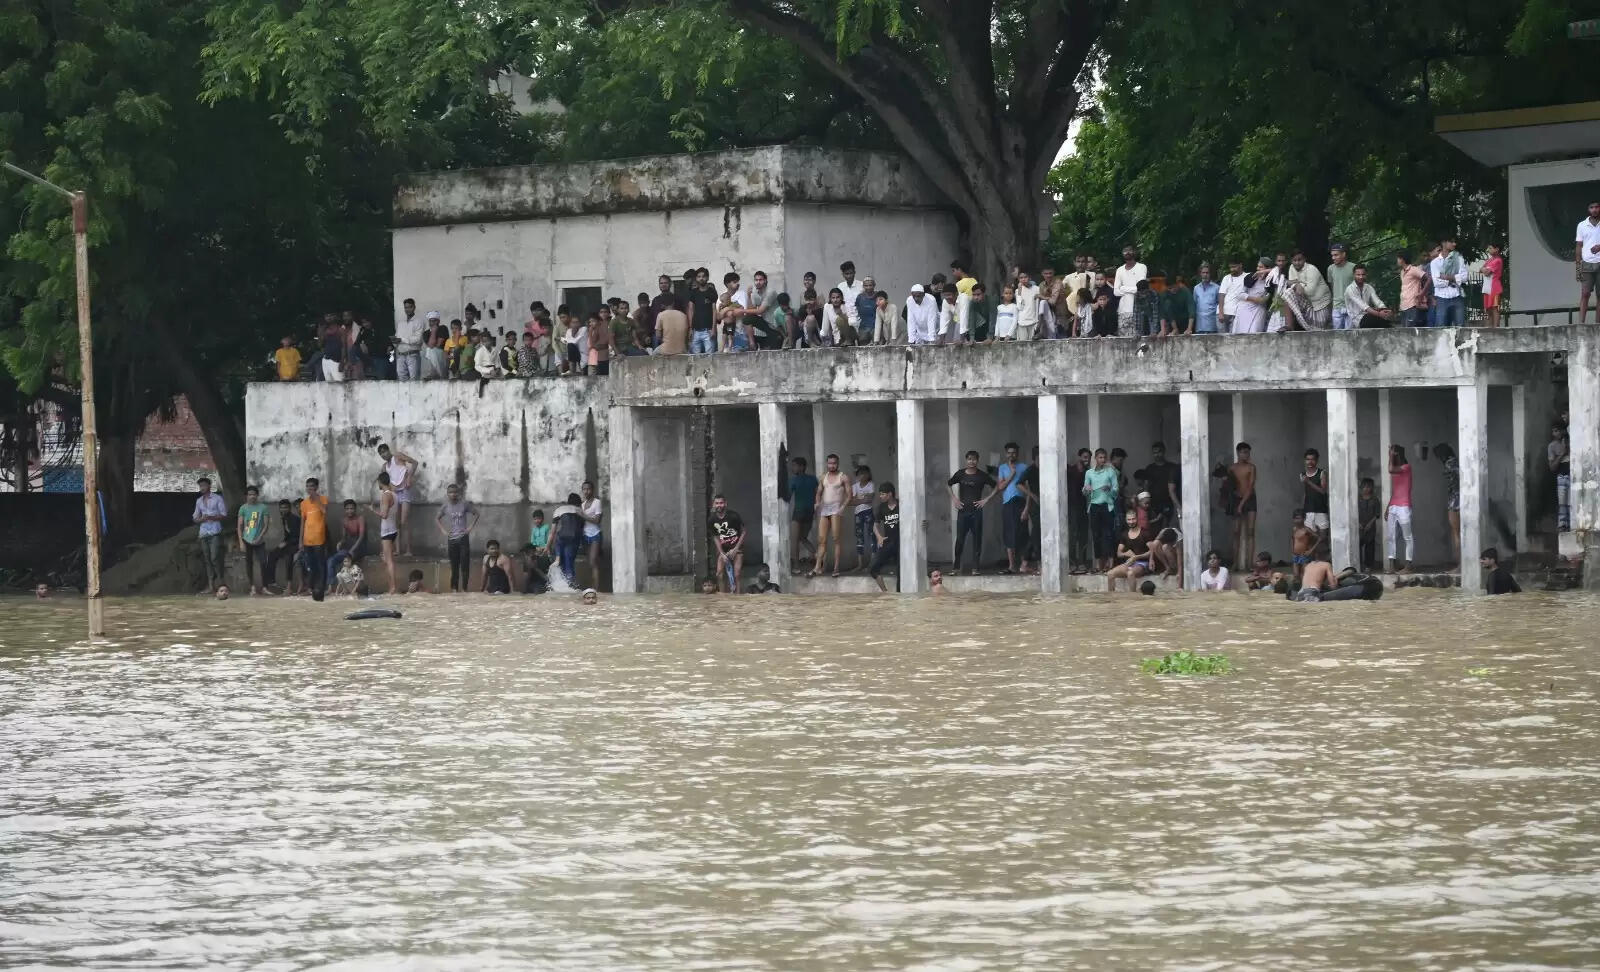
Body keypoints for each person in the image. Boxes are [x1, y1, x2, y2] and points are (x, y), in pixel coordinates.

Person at [948, 449, 996, 574]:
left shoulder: (982, 475)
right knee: (960, 540)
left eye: (974, 459)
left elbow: (996, 486)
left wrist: (986, 500)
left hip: (976, 512)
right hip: (963, 512)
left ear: (977, 460)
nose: (972, 461)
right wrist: (954, 499)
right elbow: (948, 484)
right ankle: (956, 567)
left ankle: (975, 568)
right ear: (966, 460)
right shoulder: (960, 474)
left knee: (977, 539)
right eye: (969, 459)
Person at [812, 454, 850, 577]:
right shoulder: (823, 477)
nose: (831, 465)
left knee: (835, 539)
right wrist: (817, 503)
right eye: (829, 463)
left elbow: (850, 495)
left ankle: (836, 567)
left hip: (835, 509)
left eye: (834, 463)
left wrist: (843, 507)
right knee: (821, 540)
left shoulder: (843, 477)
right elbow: (818, 492)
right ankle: (817, 567)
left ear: (837, 464)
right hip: (825, 509)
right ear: (826, 463)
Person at [436, 482, 478, 593]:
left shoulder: (464, 504)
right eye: (450, 492)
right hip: (452, 539)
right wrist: (444, 531)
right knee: (454, 566)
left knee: (464, 565)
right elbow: (437, 518)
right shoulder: (445, 506)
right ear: (447, 494)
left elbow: (476, 514)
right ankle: (454, 589)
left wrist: (470, 528)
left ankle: (464, 589)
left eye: (455, 492)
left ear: (458, 493)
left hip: (463, 538)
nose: (453, 494)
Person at [376, 443, 417, 556]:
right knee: (396, 522)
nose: (383, 455)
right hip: (394, 493)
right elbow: (383, 481)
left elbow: (415, 463)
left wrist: (409, 477)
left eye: (384, 451)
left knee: (404, 521)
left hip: (404, 491)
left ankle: (408, 550)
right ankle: (397, 550)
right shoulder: (384, 467)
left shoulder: (397, 456)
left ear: (389, 450)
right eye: (381, 454)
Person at [1221, 442, 1257, 571]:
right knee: (1236, 532)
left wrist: (1242, 504)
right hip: (1236, 499)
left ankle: (1250, 564)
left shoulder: (1251, 467)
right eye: (1243, 452)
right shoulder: (1232, 468)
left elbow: (1250, 486)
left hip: (1250, 499)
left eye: (1247, 452)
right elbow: (1228, 486)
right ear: (1238, 453)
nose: (1245, 455)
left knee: (1250, 532)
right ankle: (1235, 563)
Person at [995, 442, 1030, 574]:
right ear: (1006, 454)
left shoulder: (1024, 467)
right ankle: (1011, 565)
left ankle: (1023, 564)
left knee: (1022, 534)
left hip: (1020, 502)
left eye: (1014, 452)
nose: (1011, 455)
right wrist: (1012, 474)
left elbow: (1028, 489)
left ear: (1017, 454)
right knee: (1009, 534)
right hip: (1008, 503)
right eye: (1009, 453)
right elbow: (1000, 487)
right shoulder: (1002, 468)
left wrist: (1027, 507)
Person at [1083, 447, 1119, 571]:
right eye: (1100, 457)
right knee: (1096, 535)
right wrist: (1086, 490)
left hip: (1107, 506)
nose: (1102, 460)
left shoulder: (1110, 472)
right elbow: (1085, 490)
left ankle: (1111, 562)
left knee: (1108, 534)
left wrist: (1110, 489)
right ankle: (1098, 563)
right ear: (1096, 458)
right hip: (1094, 506)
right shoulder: (1089, 473)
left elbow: (1116, 490)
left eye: (1104, 457)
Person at [192, 476, 228, 594]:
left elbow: (223, 514)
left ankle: (221, 583)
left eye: (204, 485)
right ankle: (211, 586)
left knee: (214, 557)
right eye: (200, 486)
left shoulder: (217, 498)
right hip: (203, 532)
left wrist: (211, 517)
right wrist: (201, 519)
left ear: (209, 486)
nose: (202, 488)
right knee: (207, 559)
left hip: (215, 531)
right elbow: (195, 518)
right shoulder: (199, 501)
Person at [1106, 509, 1153, 593]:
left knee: (1130, 573)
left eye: (1133, 519)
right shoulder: (1124, 534)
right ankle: (1111, 599)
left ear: (1137, 519)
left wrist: (1136, 557)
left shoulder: (1144, 533)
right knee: (1110, 574)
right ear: (1126, 520)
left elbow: (1152, 551)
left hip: (1142, 563)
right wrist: (1127, 554)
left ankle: (1132, 598)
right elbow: (1119, 553)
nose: (1131, 522)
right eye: (1129, 519)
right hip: (1129, 563)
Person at [1135, 442, 1180, 529]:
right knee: (1154, 527)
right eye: (1154, 452)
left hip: (1168, 503)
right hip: (1153, 504)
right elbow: (1146, 487)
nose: (1157, 455)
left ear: (1164, 451)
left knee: (1167, 528)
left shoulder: (1171, 467)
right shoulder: (1150, 468)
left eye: (1159, 452)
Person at [367, 472, 399, 594]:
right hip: (393, 529)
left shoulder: (386, 495)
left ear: (380, 482)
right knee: (386, 559)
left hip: (387, 531)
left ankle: (392, 587)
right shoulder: (395, 495)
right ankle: (391, 586)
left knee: (388, 560)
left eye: (378, 483)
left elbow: (384, 515)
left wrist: (373, 510)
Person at [299, 477, 331, 597]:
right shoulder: (304, 503)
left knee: (321, 564)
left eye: (312, 486)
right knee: (310, 565)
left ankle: (321, 588)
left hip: (319, 539)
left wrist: (316, 498)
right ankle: (311, 588)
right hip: (307, 540)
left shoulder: (323, 499)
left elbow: (324, 510)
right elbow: (303, 522)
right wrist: (300, 541)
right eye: (308, 486)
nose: (309, 489)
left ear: (316, 488)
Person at [235, 485, 270, 596]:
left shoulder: (263, 507)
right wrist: (241, 542)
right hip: (247, 539)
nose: (252, 496)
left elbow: (266, 525)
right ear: (247, 496)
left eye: (254, 494)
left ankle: (265, 587)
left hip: (259, 541)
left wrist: (259, 538)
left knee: (264, 562)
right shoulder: (243, 508)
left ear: (257, 495)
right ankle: (252, 588)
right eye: (250, 494)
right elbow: (239, 526)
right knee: (248, 563)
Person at [787, 456, 818, 572]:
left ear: (802, 467)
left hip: (799, 511)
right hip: (810, 512)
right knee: (803, 538)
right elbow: (817, 495)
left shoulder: (793, 480)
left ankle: (796, 567)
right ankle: (818, 555)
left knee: (794, 540)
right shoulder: (813, 479)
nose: (792, 468)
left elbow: (788, 497)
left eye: (794, 465)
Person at [710, 494, 746, 593]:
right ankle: (723, 596)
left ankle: (738, 596)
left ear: (725, 504)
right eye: (717, 503)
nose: (719, 505)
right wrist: (721, 553)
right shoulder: (712, 520)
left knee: (737, 573)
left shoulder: (733, 516)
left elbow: (743, 532)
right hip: (723, 550)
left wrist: (735, 549)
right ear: (713, 504)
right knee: (719, 574)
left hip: (736, 549)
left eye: (721, 503)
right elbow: (715, 537)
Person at [870, 483, 901, 592]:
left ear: (890, 494)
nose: (880, 496)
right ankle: (885, 592)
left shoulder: (900, 505)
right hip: (888, 542)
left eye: (883, 494)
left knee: (900, 572)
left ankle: (899, 595)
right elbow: (875, 525)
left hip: (900, 543)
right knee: (873, 568)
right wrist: (879, 537)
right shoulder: (882, 507)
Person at [1387, 444, 1414, 572]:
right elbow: (1395, 491)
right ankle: (1392, 565)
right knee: (1391, 536)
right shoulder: (1396, 471)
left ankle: (1408, 565)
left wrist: (1391, 455)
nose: (1390, 455)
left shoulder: (1406, 467)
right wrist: (1388, 507)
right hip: (1393, 505)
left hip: (1404, 506)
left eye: (1392, 453)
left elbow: (1391, 469)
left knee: (1407, 537)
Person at [264, 498, 301, 594]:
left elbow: (297, 536)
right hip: (288, 544)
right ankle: (271, 582)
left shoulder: (295, 519)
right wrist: (283, 542)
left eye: (285, 508)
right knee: (272, 554)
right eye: (281, 508)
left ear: (289, 508)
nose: (283, 510)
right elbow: (287, 535)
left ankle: (289, 587)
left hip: (296, 544)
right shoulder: (284, 519)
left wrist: (286, 543)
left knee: (288, 558)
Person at [1434, 442, 1462, 563]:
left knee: (1456, 531)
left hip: (1455, 499)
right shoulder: (1455, 461)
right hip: (1457, 498)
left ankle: (1460, 562)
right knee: (1457, 531)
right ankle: (1459, 562)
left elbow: (1456, 479)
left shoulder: (1450, 463)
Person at [1288, 251, 1331, 329]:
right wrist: (1297, 284)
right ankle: (1289, 327)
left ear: (1304, 260)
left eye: (1299, 260)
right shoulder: (1291, 267)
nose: (1297, 263)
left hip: (1320, 303)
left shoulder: (1312, 269)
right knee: (1287, 293)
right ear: (1291, 261)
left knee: (1319, 332)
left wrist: (1297, 283)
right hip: (1306, 301)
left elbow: (1310, 291)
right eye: (1294, 260)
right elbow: (1292, 285)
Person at [1429, 237, 1467, 327]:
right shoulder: (1435, 262)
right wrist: (1454, 279)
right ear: (1443, 243)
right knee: (1441, 327)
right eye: (1451, 241)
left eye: (1455, 242)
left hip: (1457, 295)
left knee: (1460, 326)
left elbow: (1465, 277)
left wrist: (1446, 277)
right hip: (1442, 297)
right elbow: (1437, 282)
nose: (1454, 244)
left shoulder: (1459, 259)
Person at [326, 498, 367, 579]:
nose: (349, 511)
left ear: (355, 509)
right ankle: (331, 585)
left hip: (359, 546)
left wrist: (352, 550)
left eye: (351, 508)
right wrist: (340, 542)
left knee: (346, 560)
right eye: (347, 509)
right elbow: (344, 537)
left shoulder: (360, 518)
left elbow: (361, 537)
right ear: (344, 510)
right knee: (330, 560)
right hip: (348, 546)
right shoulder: (344, 520)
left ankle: (350, 586)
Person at [1067, 447, 1093, 572]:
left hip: (1083, 507)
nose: (1087, 460)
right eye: (1084, 457)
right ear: (1079, 457)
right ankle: (1072, 562)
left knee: (1083, 535)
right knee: (1073, 535)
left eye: (1088, 457)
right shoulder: (1070, 470)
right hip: (1072, 507)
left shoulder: (1089, 472)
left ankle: (1082, 562)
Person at [551, 493, 585, 586]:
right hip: (574, 539)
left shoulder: (559, 510)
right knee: (569, 562)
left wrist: (547, 546)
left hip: (562, 537)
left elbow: (552, 531)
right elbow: (581, 528)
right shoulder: (579, 511)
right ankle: (569, 584)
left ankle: (558, 559)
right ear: (578, 503)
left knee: (561, 560)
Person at [1113, 246, 1148, 334]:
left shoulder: (1141, 267)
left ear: (1135, 252)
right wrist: (1132, 289)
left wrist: (1123, 288)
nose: (1127, 253)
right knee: (1123, 339)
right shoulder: (1119, 270)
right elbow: (1116, 292)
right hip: (1123, 310)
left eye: (1130, 250)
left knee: (1138, 337)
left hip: (1138, 308)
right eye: (1125, 251)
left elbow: (1140, 288)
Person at [1232, 258, 1271, 334]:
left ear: (1267, 268)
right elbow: (1239, 294)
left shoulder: (1271, 280)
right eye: (1258, 266)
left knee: (1254, 332)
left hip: (1259, 310)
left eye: (1261, 267)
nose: (1258, 269)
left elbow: (1276, 271)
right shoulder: (1251, 277)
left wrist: (1264, 272)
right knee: (1241, 334)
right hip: (1245, 308)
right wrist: (1255, 299)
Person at [850, 465, 877, 570]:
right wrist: (863, 499)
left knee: (872, 536)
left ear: (868, 475)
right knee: (859, 538)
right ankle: (860, 564)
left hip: (868, 512)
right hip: (858, 514)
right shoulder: (855, 486)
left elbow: (870, 499)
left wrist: (858, 500)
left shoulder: (871, 485)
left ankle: (872, 563)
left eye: (864, 473)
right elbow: (850, 502)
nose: (862, 475)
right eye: (860, 473)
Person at [1325, 244, 1357, 330]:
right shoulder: (1330, 269)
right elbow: (1332, 286)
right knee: (1337, 334)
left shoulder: (1353, 267)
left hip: (1351, 305)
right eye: (1332, 255)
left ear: (1343, 254)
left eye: (1336, 255)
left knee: (1350, 334)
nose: (1333, 258)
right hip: (1337, 306)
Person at [687, 267, 717, 354]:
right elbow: (691, 310)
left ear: (707, 278)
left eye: (703, 276)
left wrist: (713, 328)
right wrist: (690, 328)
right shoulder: (693, 292)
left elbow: (714, 310)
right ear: (696, 278)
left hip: (708, 330)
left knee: (710, 357)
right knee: (696, 358)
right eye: (699, 276)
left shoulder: (712, 292)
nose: (701, 278)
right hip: (696, 331)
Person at [1579, 201, 1600, 323]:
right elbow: (1578, 245)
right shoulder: (1582, 225)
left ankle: (1598, 325)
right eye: (1592, 207)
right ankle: (1581, 324)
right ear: (1588, 210)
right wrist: (1578, 266)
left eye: (1597, 207)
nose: (1595, 209)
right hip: (1587, 263)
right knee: (1585, 293)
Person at [579, 479, 604, 582]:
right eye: (584, 489)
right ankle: (592, 588)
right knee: (590, 562)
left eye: (588, 489)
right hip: (585, 536)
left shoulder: (597, 503)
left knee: (593, 561)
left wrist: (583, 516)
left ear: (592, 490)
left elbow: (597, 520)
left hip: (595, 535)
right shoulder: (582, 505)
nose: (586, 491)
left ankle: (596, 590)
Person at [1396, 252, 1429, 327]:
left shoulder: (1414, 269)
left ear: (1402, 259)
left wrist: (1422, 294)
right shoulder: (1402, 272)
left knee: (1412, 332)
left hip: (1413, 305)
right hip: (1403, 306)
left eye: (1398, 258)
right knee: (1405, 333)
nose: (1397, 260)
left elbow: (1429, 279)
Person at [1300, 448, 1329, 534]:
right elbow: (1306, 492)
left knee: (1323, 539)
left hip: (1321, 510)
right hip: (1308, 510)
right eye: (1308, 459)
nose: (1310, 462)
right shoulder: (1303, 474)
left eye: (1313, 459)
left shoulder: (1322, 473)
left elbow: (1323, 491)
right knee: (1310, 539)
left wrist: (1308, 482)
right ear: (1305, 460)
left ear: (1317, 460)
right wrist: (1303, 510)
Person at [394, 298, 423, 381]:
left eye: (410, 307)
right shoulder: (401, 323)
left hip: (413, 355)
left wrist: (401, 340)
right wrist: (395, 342)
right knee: (401, 378)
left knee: (414, 380)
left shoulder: (419, 321)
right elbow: (397, 337)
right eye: (406, 307)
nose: (407, 309)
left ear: (414, 307)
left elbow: (418, 339)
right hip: (400, 355)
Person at [1550, 422, 1571, 532]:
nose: (1555, 433)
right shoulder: (1552, 446)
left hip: (1572, 475)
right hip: (1562, 476)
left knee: (1571, 502)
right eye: (1553, 431)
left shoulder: (1571, 441)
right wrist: (1562, 454)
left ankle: (1572, 524)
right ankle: (1562, 525)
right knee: (1562, 502)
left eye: (1557, 430)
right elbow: (1552, 467)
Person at [1289, 509, 1320, 582]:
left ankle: (1305, 588)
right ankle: (1298, 590)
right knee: (1296, 575)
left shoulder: (1307, 530)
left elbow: (1319, 539)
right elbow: (1292, 539)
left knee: (1304, 574)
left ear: (1304, 519)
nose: (1296, 520)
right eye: (1295, 518)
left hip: (1304, 555)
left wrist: (1311, 550)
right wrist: (1292, 550)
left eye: (1299, 518)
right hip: (1295, 555)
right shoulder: (1294, 529)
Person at [1217, 259, 1246, 333]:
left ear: (1240, 265)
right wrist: (1220, 313)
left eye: (1234, 267)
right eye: (1230, 267)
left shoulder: (1246, 276)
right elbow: (1221, 295)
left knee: (1233, 340)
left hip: (1236, 313)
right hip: (1223, 313)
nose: (1232, 269)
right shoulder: (1226, 278)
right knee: (1221, 339)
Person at [1358, 477, 1381, 572]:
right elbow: (1354, 512)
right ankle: (1358, 565)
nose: (1366, 489)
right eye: (1364, 487)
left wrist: (1370, 524)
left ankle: (1368, 566)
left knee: (1369, 547)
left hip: (1370, 527)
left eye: (1368, 487)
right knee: (1357, 545)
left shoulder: (1375, 499)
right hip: (1359, 527)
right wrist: (1357, 523)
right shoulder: (1358, 499)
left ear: (1371, 488)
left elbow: (1377, 514)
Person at [1013, 269, 1041, 341]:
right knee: (1022, 345)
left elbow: (1038, 306)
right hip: (1022, 322)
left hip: (1034, 321)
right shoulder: (1017, 291)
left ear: (1029, 278)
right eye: (1021, 278)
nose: (1023, 279)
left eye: (1025, 277)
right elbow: (1019, 307)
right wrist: (1019, 292)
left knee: (1033, 345)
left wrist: (1038, 321)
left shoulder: (1037, 289)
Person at [1481, 243, 1504, 328]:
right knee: (1488, 309)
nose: (1488, 250)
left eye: (1490, 248)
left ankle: (1496, 328)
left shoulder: (1498, 260)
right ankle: (1490, 328)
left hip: (1494, 288)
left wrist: (1484, 269)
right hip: (1487, 288)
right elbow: (1481, 269)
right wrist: (1484, 269)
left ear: (1496, 249)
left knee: (1495, 308)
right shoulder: (1490, 260)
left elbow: (1486, 272)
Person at [1193, 264, 1220, 334]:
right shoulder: (1196, 288)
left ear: (1210, 274)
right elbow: (1194, 304)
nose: (1205, 275)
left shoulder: (1216, 288)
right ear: (1200, 274)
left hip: (1212, 325)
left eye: (1207, 273)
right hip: (1199, 325)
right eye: (1203, 273)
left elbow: (1219, 305)